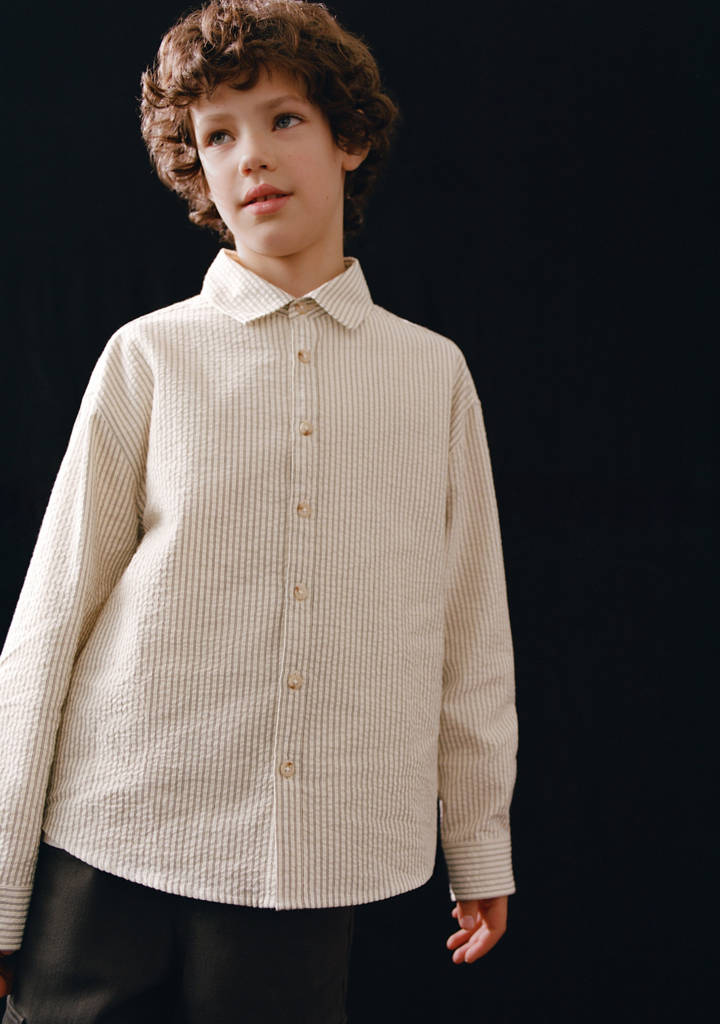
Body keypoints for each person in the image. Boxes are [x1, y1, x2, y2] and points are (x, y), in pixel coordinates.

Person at [0, 0, 519, 1020]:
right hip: (111, 839)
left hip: (309, 859)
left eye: (284, 119)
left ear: (348, 137)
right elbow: (49, 625)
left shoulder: (432, 376)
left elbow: (469, 629)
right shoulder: (149, 357)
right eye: (217, 136)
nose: (253, 157)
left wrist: (478, 842)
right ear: (194, 170)